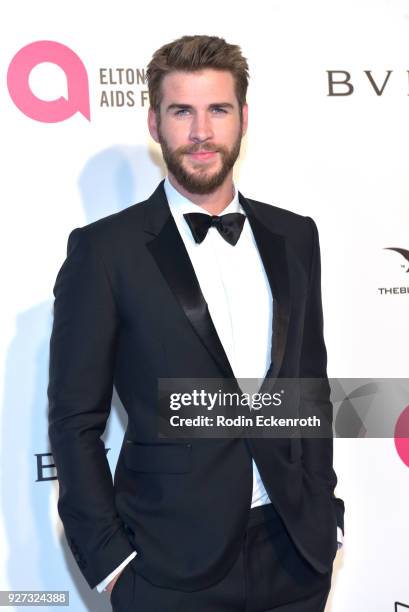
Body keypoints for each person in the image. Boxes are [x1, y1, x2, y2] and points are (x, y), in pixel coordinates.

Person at [48, 34, 345, 612]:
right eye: (182, 111)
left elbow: (310, 387)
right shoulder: (104, 252)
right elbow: (74, 419)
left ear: (243, 119)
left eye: (218, 110)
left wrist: (325, 515)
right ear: (155, 123)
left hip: (294, 554)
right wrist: (111, 563)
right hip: (167, 566)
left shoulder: (295, 236)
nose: (201, 132)